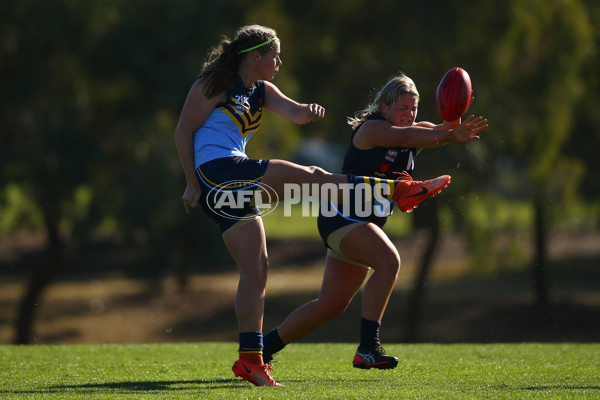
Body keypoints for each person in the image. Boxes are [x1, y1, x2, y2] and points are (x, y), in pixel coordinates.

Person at [173, 24, 479, 387]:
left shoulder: (261, 90)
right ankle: (391, 191)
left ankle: (251, 360)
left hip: (228, 185)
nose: (280, 61)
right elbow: (183, 130)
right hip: (217, 171)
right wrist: (192, 182)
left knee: (257, 270)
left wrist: (308, 111)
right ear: (255, 55)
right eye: (275, 55)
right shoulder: (214, 83)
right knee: (312, 176)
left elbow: (296, 113)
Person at [261, 73, 488, 370]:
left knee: (330, 306)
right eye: (402, 108)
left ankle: (261, 350)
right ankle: (369, 347)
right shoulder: (372, 130)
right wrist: (447, 134)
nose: (409, 115)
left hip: (358, 223)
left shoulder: (411, 130)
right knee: (389, 261)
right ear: (384, 106)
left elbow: (440, 129)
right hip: (341, 216)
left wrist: (455, 112)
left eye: (413, 109)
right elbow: (410, 137)